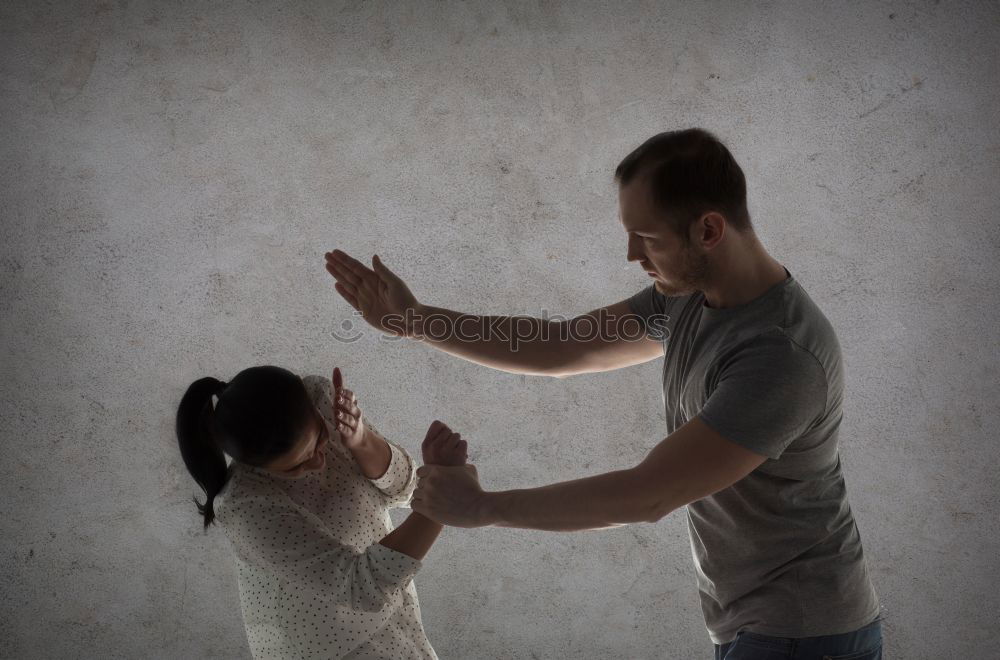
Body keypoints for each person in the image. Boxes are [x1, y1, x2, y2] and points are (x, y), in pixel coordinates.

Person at [324, 128, 884, 659]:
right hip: (753, 622)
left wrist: (485, 507)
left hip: (803, 632)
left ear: (709, 230)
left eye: (647, 238)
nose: (631, 255)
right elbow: (565, 344)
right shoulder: (686, 295)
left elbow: (647, 494)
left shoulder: (780, 355)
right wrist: (416, 320)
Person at [174, 364, 467, 659]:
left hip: (394, 615)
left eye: (319, 439)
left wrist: (361, 440)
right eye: (296, 466)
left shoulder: (322, 399)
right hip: (329, 647)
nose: (318, 463)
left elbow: (405, 490)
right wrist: (442, 500)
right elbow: (361, 587)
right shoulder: (247, 508)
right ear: (258, 467)